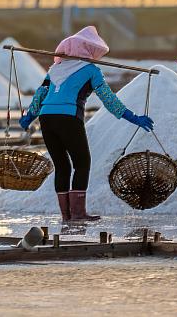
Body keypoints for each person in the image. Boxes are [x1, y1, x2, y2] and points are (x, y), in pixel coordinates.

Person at [19, 26, 154, 222]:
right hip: (68, 117)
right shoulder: (91, 70)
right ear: (88, 51)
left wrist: (28, 117)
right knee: (82, 163)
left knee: (62, 166)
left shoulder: (54, 70)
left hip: (47, 118)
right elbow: (108, 99)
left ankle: (66, 215)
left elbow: (40, 96)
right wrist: (133, 117)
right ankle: (79, 213)